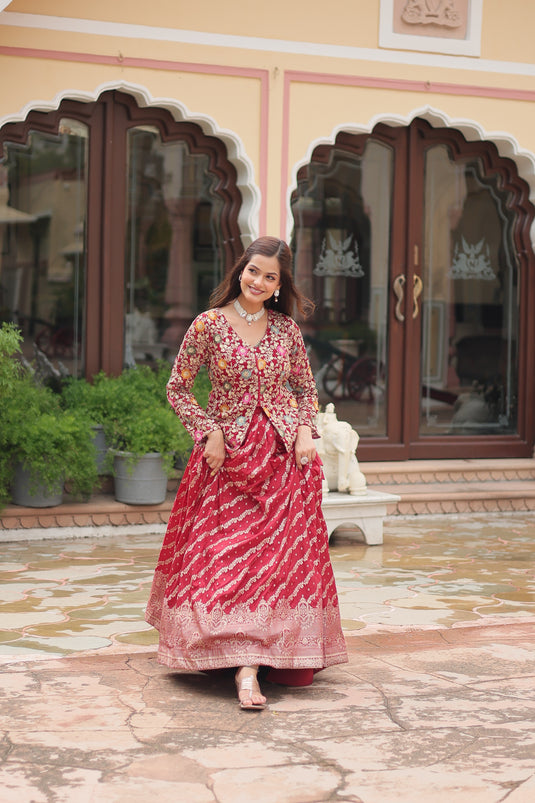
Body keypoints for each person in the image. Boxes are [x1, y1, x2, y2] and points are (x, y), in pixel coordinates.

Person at [145, 236, 348, 710]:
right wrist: (208, 432)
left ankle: (252, 667)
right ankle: (230, 653)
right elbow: (178, 389)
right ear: (241, 270)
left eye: (270, 276)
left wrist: (303, 431)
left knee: (276, 566)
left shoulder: (286, 331)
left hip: (282, 463)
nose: (258, 281)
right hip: (225, 461)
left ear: (280, 285)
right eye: (253, 271)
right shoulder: (209, 325)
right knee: (222, 559)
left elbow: (303, 390)